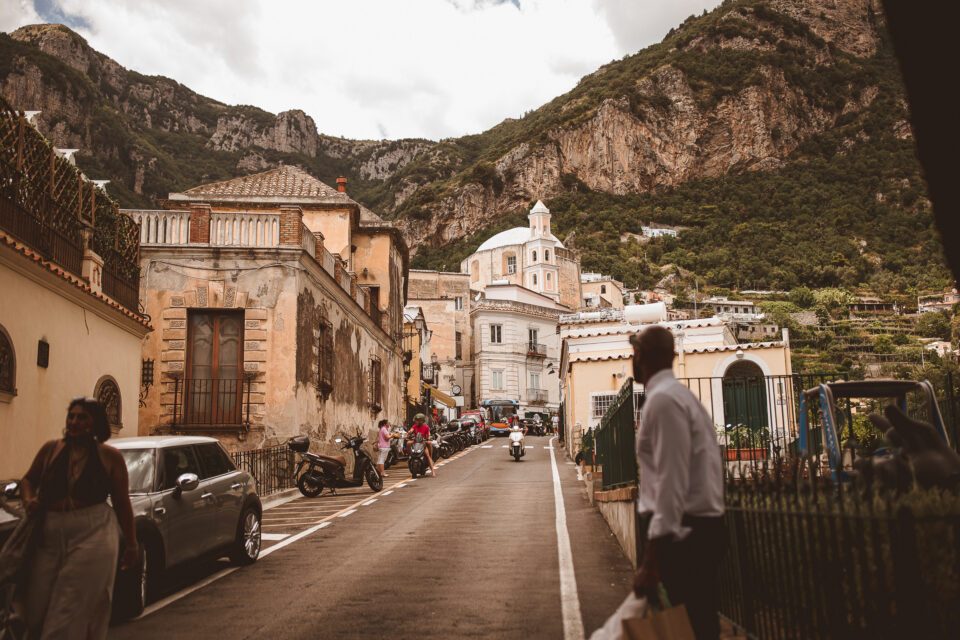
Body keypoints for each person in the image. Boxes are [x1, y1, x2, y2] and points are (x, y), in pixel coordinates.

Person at [630, 325, 724, 640]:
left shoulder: (663, 401)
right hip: (696, 528)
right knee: (697, 622)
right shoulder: (682, 397)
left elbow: (671, 481)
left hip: (682, 534)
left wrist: (652, 558)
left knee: (689, 625)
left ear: (639, 356)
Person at [19, 397, 138, 640]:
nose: (74, 421)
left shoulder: (110, 457)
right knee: (36, 605)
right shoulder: (51, 450)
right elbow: (28, 480)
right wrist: (28, 500)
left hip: (93, 531)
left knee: (70, 604)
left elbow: (122, 502)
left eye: (82, 417)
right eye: (71, 416)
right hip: (50, 530)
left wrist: (132, 542)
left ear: (95, 423)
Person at [407, 413, 437, 478]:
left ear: (421, 420)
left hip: (423, 442)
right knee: (408, 443)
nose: (416, 421)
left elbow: (428, 434)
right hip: (416, 442)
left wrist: (428, 437)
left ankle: (433, 471)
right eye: (416, 420)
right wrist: (409, 433)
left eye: (417, 420)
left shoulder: (426, 426)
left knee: (428, 453)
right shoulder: (415, 426)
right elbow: (411, 430)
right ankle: (409, 454)